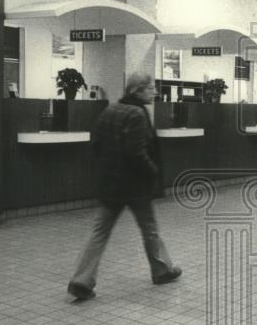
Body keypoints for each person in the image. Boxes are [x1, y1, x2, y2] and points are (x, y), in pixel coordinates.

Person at [67, 72, 181, 301]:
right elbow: (136, 152)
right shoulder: (138, 114)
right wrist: (153, 171)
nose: (155, 92)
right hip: (136, 186)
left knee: (99, 232)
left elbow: (96, 145)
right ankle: (162, 271)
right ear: (137, 90)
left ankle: (81, 279)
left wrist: (107, 170)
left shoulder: (110, 110)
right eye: (151, 88)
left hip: (111, 184)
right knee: (149, 228)